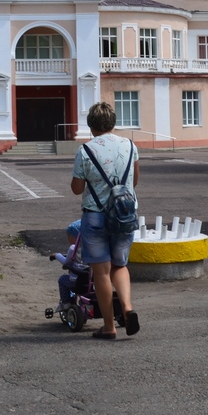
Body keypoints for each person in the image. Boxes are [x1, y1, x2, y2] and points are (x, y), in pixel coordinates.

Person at [70, 101, 140, 340]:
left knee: (101, 271)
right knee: (120, 266)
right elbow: (135, 181)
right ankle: (128, 308)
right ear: (113, 123)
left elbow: (76, 189)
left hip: (96, 216)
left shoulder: (85, 150)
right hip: (124, 215)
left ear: (91, 126)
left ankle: (109, 327)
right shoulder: (130, 145)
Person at [50, 218, 84, 304]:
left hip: (76, 281)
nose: (68, 238)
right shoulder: (90, 248)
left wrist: (57, 255)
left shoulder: (73, 248)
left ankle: (66, 303)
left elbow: (66, 262)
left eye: (69, 236)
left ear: (76, 236)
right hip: (91, 280)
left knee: (62, 280)